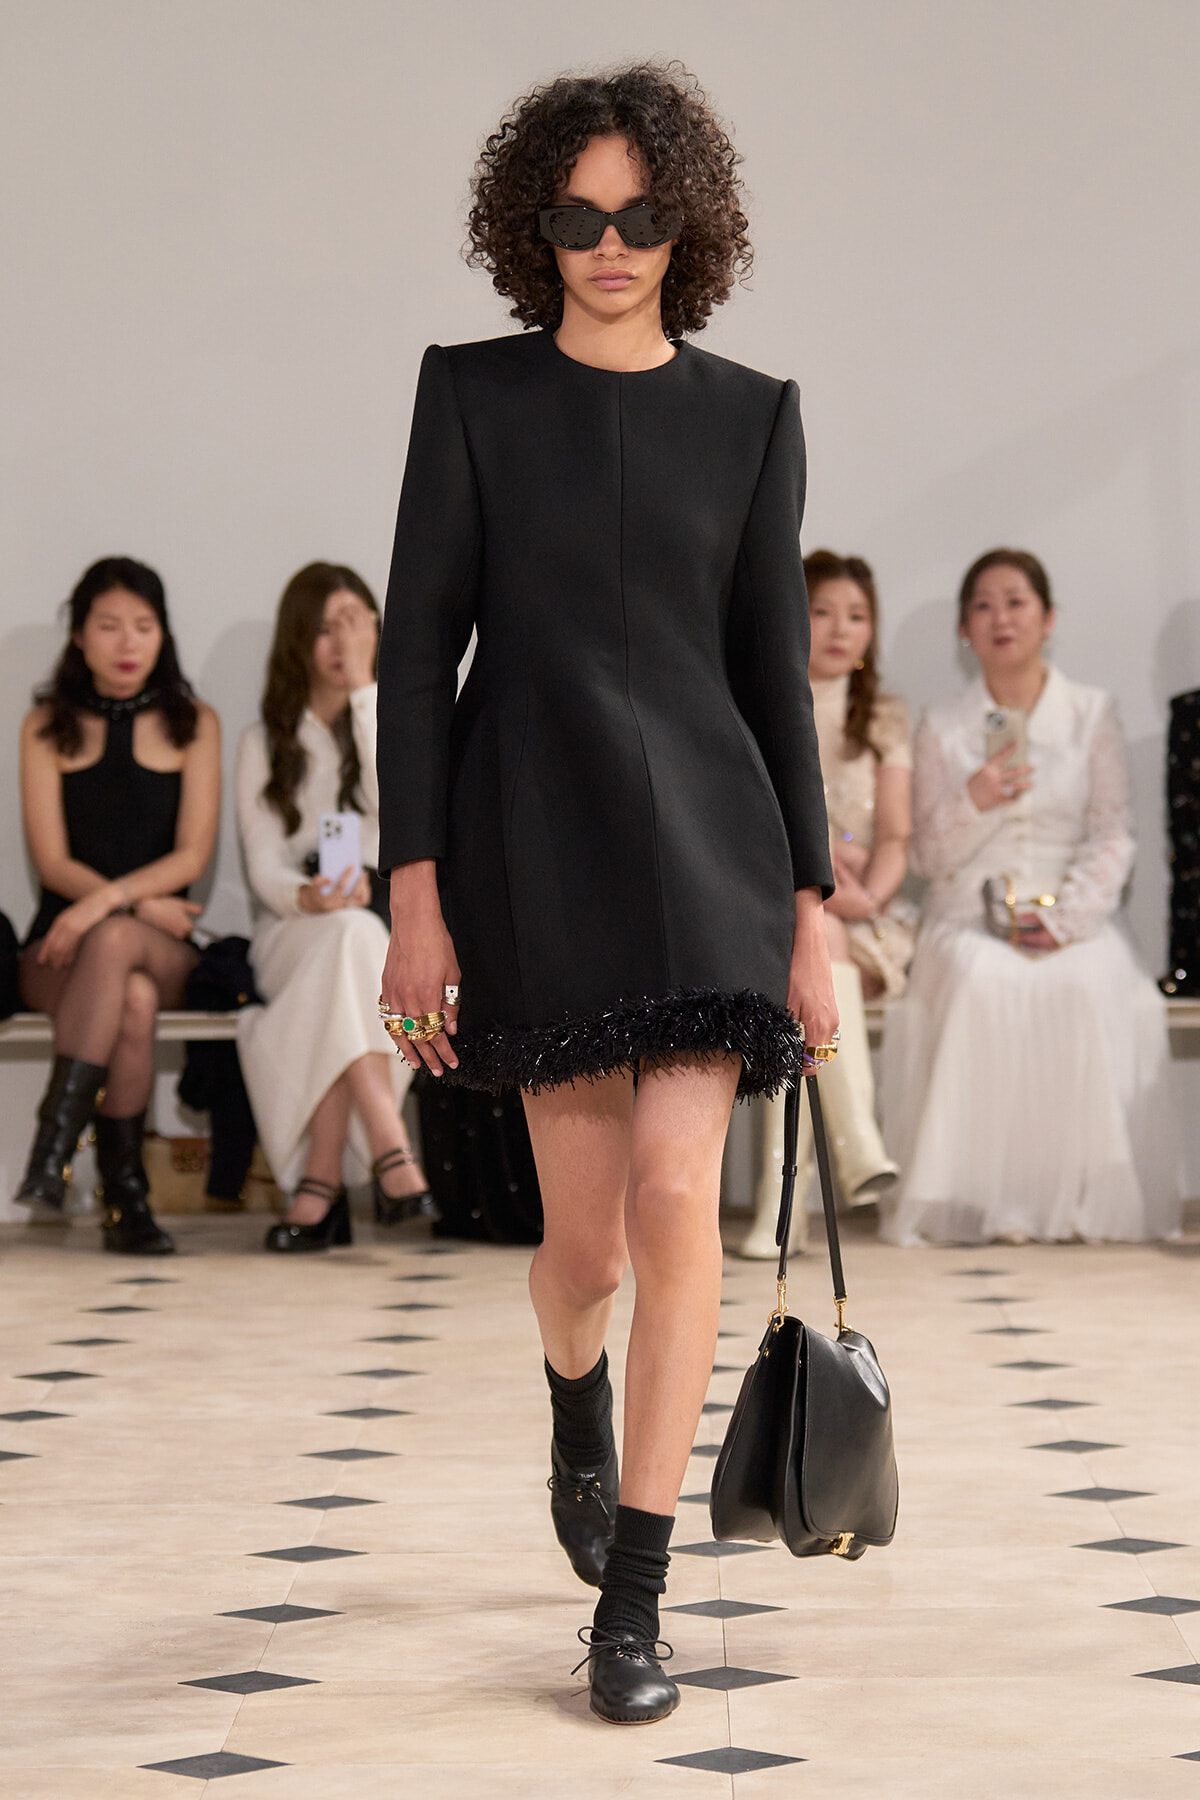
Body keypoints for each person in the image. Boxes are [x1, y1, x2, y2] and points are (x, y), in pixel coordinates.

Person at [375, 64, 837, 1726]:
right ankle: (573, 1392)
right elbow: (416, 663)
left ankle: (636, 1599)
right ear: (535, 225)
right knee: (581, 1248)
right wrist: (413, 898)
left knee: (669, 1200)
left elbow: (775, 683)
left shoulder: (753, 414)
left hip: (710, 849)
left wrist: (811, 910)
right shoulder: (473, 396)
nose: (613, 243)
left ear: (688, 224)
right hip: (534, 847)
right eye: (580, 215)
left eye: (644, 214)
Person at [881, 548, 1182, 1246]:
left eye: (1016, 601)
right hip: (966, 908)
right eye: (982, 605)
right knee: (982, 981)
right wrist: (975, 798)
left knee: (1084, 983)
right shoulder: (942, 725)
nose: (1000, 618)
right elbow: (925, 854)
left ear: (1048, 619)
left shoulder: (1090, 712)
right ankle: (987, 1203)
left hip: (1072, 912)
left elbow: (1113, 836)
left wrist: (1067, 920)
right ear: (964, 629)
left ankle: (1076, 1200)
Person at [15, 556, 221, 1253]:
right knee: (127, 996)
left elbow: (192, 857)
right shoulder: (45, 726)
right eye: (108, 626)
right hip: (60, 946)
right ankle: (125, 1200)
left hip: (157, 941)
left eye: (143, 625)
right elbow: (51, 863)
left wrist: (107, 905)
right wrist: (127, 906)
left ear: (163, 633)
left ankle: (53, 1150)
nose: (127, 643)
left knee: (115, 947)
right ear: (79, 635)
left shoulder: (196, 724)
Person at [235, 562, 429, 1252]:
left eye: (355, 624)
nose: (340, 642)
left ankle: (320, 1182)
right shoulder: (264, 741)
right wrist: (304, 894)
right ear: (297, 640)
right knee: (345, 945)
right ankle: (388, 1141)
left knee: (352, 944)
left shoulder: (382, 722)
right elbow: (261, 865)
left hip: (365, 923)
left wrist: (367, 695)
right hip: (291, 927)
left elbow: (397, 817)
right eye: (324, 629)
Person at [741, 550, 913, 1258]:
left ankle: (779, 1209)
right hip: (781, 917)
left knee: (814, 970)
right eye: (821, 612)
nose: (840, 630)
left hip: (867, 924)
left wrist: (862, 893)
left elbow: (898, 836)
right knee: (802, 967)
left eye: (858, 616)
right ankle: (855, 1146)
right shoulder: (760, 707)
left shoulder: (887, 718)